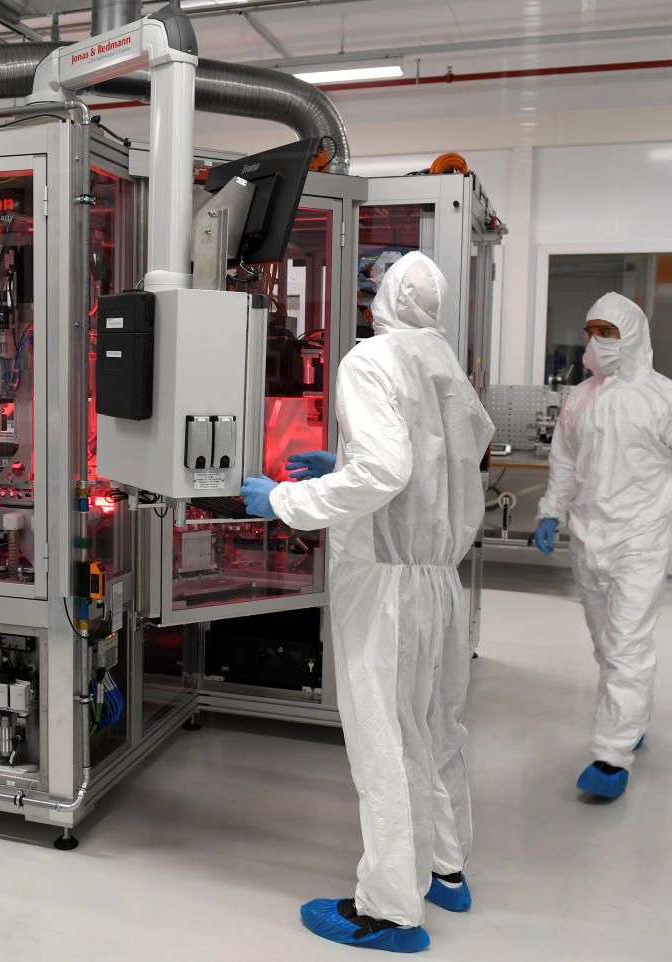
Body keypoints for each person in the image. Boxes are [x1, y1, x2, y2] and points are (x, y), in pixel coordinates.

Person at [241, 251, 495, 953]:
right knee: (435, 728)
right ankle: (445, 868)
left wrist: (289, 500)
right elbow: (450, 453)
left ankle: (388, 911)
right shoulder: (443, 361)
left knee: (384, 738)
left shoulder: (369, 359)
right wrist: (344, 462)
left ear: (380, 298)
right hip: (439, 575)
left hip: (385, 579)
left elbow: (388, 468)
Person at [533, 292, 672, 800]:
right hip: (587, 537)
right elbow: (563, 460)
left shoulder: (665, 398)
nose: (595, 343)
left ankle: (612, 754)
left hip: (640, 540)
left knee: (627, 646)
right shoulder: (580, 397)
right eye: (590, 332)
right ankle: (631, 713)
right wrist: (550, 511)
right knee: (607, 644)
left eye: (607, 332)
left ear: (631, 337)